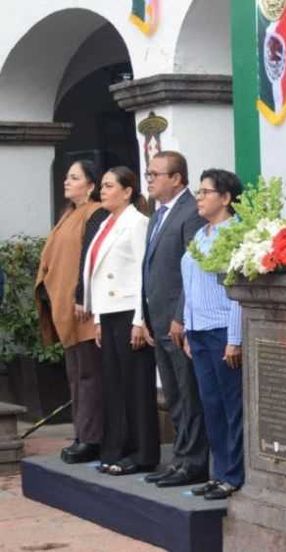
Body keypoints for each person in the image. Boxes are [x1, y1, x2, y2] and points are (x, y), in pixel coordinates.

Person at [82, 166, 159, 475]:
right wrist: (98, 317)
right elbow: (98, 275)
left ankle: (142, 453)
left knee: (136, 385)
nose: (103, 190)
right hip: (110, 312)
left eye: (110, 185)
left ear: (128, 191)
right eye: (102, 185)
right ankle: (117, 448)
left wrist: (141, 320)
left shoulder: (137, 223)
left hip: (130, 312)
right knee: (113, 384)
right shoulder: (104, 223)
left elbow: (144, 273)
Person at [142, 150, 209, 488]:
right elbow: (150, 270)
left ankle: (194, 462)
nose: (149, 179)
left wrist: (180, 317)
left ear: (177, 178)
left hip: (179, 322)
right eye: (149, 173)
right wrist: (146, 317)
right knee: (173, 394)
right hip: (158, 320)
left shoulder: (190, 213)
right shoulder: (157, 216)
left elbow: (191, 271)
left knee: (188, 392)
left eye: (155, 174)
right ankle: (180, 458)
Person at [34, 160, 105, 464]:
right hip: (66, 309)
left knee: (90, 376)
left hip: (83, 310)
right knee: (76, 376)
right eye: (67, 176)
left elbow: (88, 260)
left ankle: (92, 439)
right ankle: (81, 433)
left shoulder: (95, 213)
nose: (66, 181)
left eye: (74, 177)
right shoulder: (70, 214)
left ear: (91, 186)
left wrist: (79, 296)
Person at [180, 169, 245, 501]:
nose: (199, 198)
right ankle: (218, 472)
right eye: (199, 192)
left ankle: (233, 475)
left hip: (222, 331)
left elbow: (238, 291)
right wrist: (188, 329)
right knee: (211, 405)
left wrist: (235, 338)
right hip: (199, 330)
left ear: (226, 198)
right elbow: (191, 287)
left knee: (232, 405)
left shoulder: (237, 234)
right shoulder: (200, 235)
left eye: (206, 192)